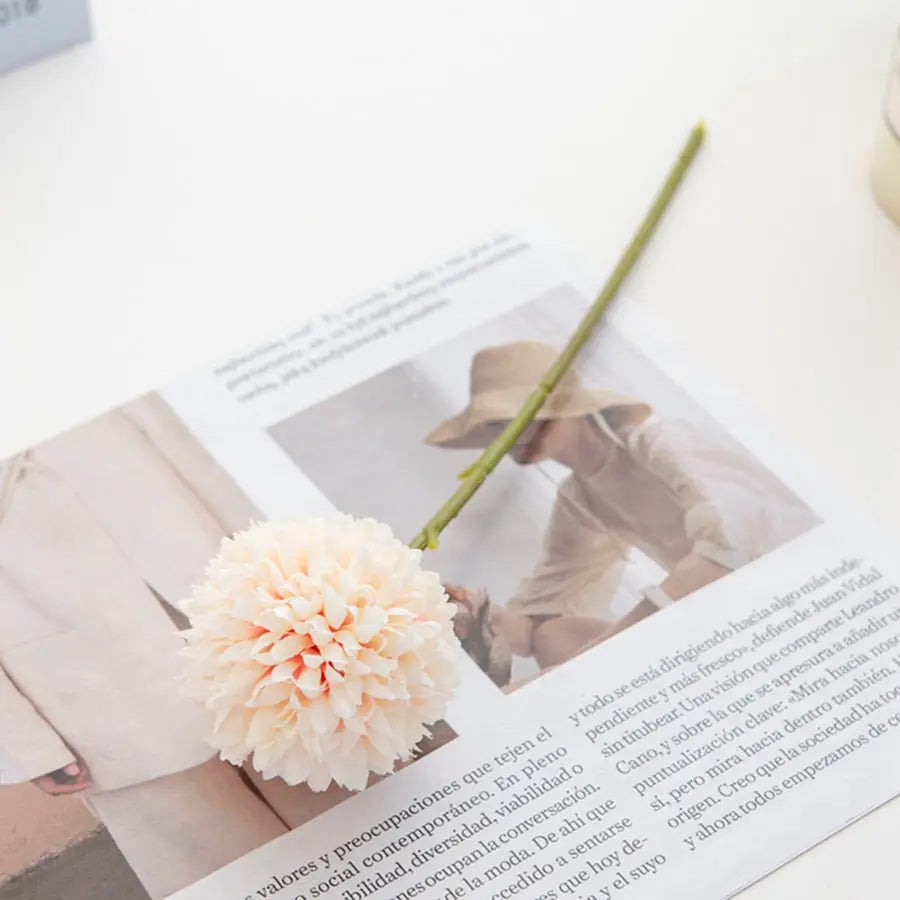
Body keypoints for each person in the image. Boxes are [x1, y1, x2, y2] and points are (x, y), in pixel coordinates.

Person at [426, 341, 818, 670]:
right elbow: (546, 608)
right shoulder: (579, 497)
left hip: (780, 586)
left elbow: (730, 541)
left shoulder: (656, 443)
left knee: (589, 651)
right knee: (553, 636)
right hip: (710, 611)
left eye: (523, 414)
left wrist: (613, 642)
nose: (512, 434)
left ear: (572, 405)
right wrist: (476, 619)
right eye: (496, 424)